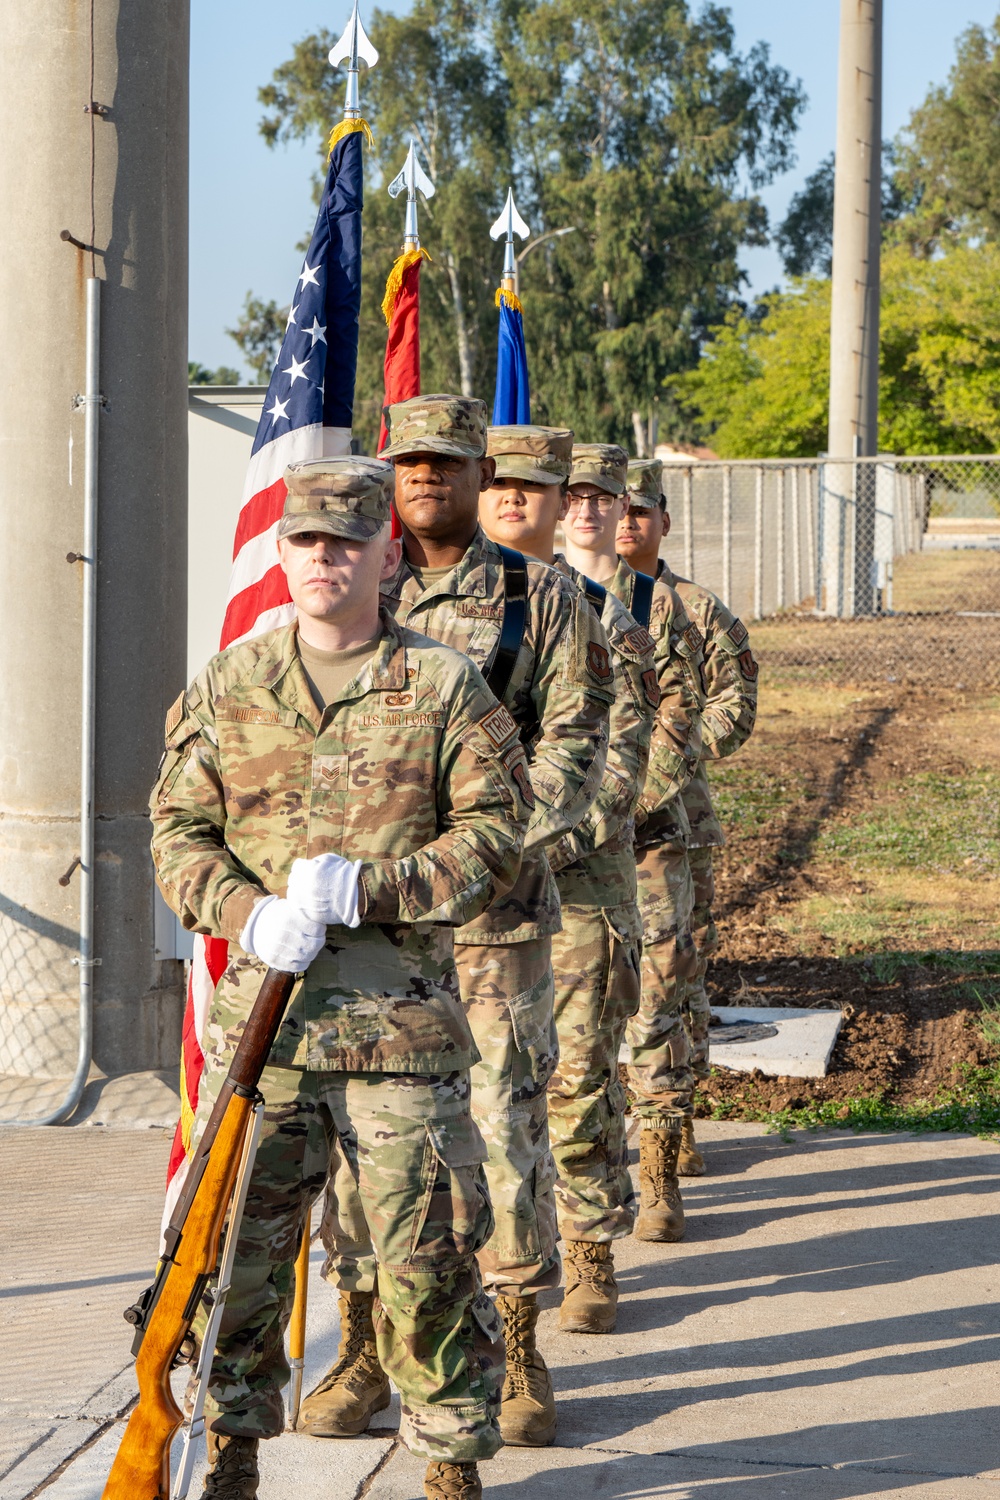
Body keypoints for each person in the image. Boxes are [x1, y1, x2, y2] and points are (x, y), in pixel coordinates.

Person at [150, 456, 537, 1500]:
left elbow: (501, 839)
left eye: (348, 543)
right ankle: (229, 1453)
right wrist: (245, 911)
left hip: (397, 1037)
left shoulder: (442, 683)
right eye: (308, 542)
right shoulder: (233, 686)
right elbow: (177, 832)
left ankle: (450, 1458)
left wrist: (377, 888)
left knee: (426, 1261)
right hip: (263, 1040)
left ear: (386, 555)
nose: (326, 559)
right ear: (282, 556)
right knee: (236, 1263)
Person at [309, 397, 615, 1448]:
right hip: (365, 931)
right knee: (360, 1141)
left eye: (446, 461)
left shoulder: (546, 598)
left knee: (497, 1129)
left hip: (490, 917)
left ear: (481, 474)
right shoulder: (355, 582)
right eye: (410, 462)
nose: (426, 477)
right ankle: (363, 1344)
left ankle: (516, 1342)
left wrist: (480, 842)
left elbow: (576, 750)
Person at [480, 431, 658, 1333]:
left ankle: (589, 1250)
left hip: (579, 886)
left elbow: (619, 767)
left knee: (578, 1071)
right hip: (466, 902)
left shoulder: (605, 622)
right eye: (501, 482)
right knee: (484, 1091)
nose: (515, 498)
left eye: (534, 486)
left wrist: (517, 848)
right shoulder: (418, 614)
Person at [617, 458, 758, 1177]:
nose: (627, 521)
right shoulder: (568, 600)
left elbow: (738, 701)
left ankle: (676, 1113)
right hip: (594, 822)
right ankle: (621, 1112)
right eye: (618, 507)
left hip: (680, 817)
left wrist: (677, 750)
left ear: (664, 522)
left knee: (679, 968)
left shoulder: (699, 610)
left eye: (642, 510)